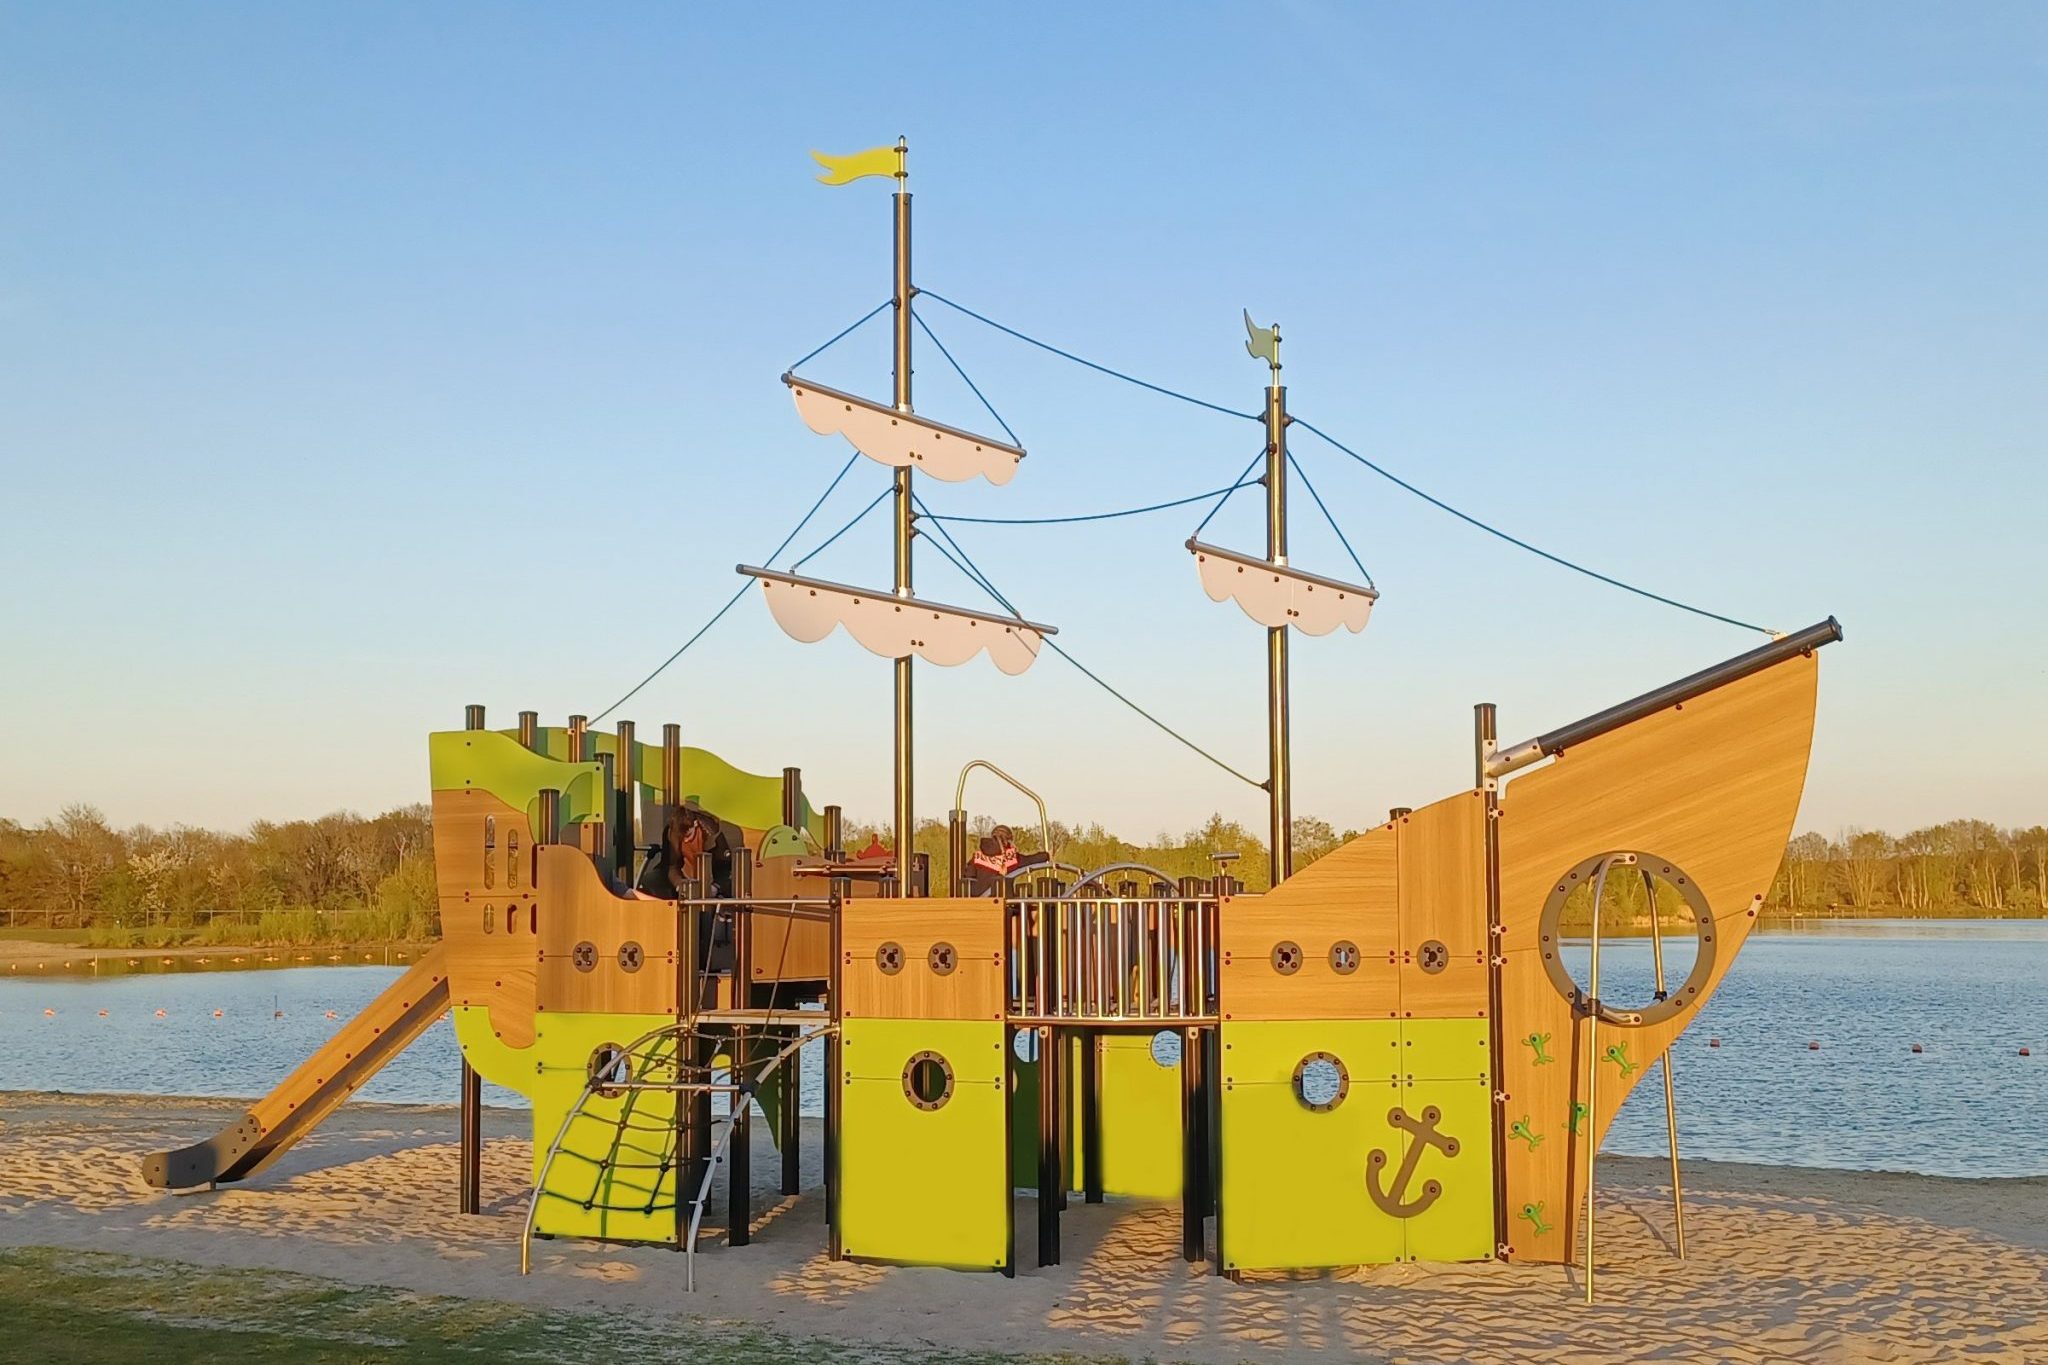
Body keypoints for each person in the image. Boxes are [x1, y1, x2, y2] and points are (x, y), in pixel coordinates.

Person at [965, 824, 1049, 896]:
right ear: (1008, 840)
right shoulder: (1011, 857)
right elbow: (1031, 860)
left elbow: (968, 877)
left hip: (978, 903)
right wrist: (1046, 855)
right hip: (1002, 903)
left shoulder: (977, 856)